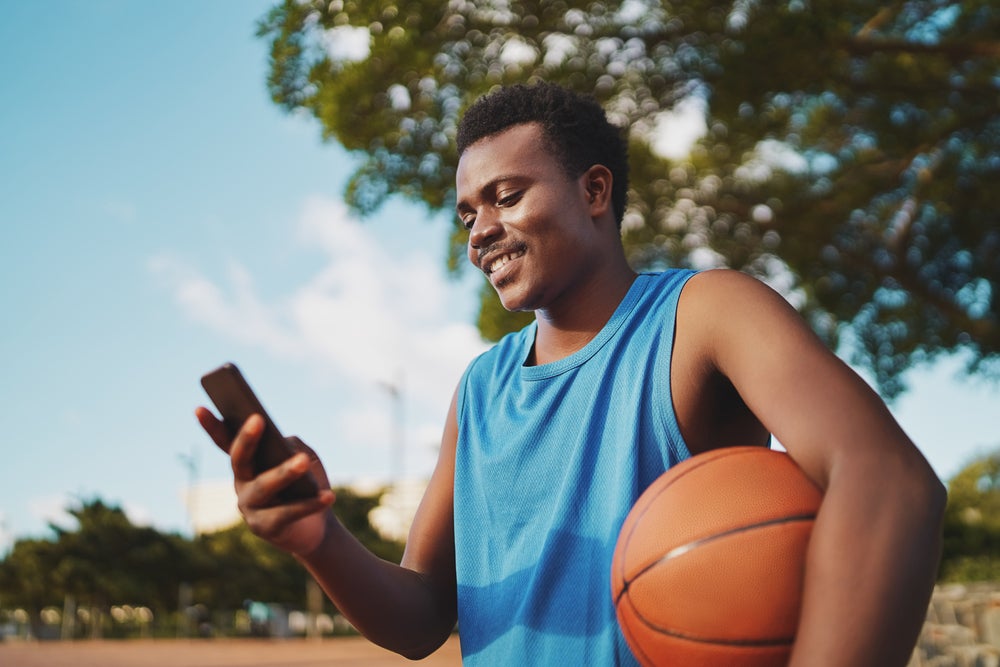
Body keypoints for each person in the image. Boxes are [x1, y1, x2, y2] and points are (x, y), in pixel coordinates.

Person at [196, 82, 946, 665]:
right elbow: (422, 616)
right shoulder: (482, 387)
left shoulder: (704, 314)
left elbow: (886, 480)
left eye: (506, 195)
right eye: (466, 214)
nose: (481, 230)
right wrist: (317, 538)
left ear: (594, 192)